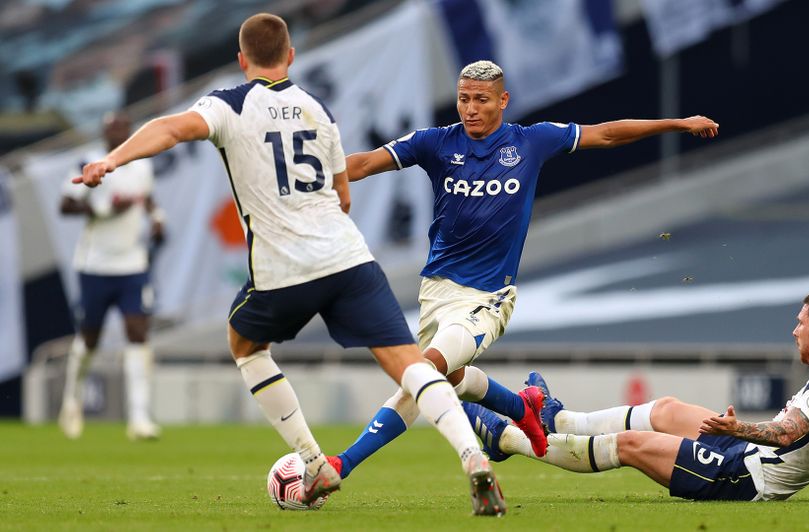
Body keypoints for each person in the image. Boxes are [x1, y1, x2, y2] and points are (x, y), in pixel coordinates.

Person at [73, 13, 505, 516]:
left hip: (285, 269)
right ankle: (473, 457)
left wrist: (113, 160)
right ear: (291, 56)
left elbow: (170, 129)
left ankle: (313, 460)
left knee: (245, 343)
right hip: (349, 258)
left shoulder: (228, 104)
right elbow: (342, 196)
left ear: (241, 59)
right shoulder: (316, 108)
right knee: (410, 366)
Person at [328, 59, 720, 479]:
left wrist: (678, 123)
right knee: (453, 379)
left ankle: (340, 465)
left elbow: (605, 134)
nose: (470, 109)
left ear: (503, 100)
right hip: (436, 292)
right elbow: (365, 163)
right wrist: (309, 180)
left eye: (481, 99)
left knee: (421, 375)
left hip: (487, 297)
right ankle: (523, 407)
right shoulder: (435, 143)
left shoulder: (532, 141)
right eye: (463, 99)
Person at [464, 218, 809, 501]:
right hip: (748, 455)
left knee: (630, 445)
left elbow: (784, 433)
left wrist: (736, 427)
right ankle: (558, 420)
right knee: (667, 409)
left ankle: (505, 439)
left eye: (800, 323)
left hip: (746, 478)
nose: (794, 330)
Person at [58, 111, 164, 441]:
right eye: (112, 129)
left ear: (129, 130)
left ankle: (139, 417)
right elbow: (65, 205)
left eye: (122, 127)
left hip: (132, 264)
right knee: (90, 338)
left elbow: (146, 198)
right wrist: (103, 210)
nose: (117, 133)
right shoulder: (89, 163)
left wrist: (158, 217)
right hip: (95, 266)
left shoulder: (142, 165)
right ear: (104, 134)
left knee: (138, 332)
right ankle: (71, 403)